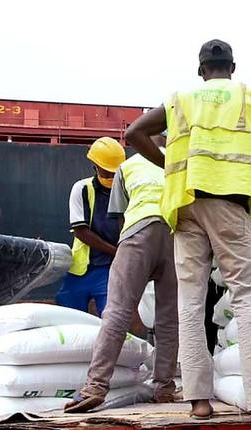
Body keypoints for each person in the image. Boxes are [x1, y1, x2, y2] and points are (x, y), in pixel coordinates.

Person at [125, 39, 251, 428]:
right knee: (247, 298)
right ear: (232, 67)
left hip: (185, 204)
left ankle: (198, 401)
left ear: (201, 69)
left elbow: (133, 133)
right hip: (228, 205)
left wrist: (170, 164)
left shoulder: (180, 100)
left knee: (190, 303)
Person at [64, 136, 179, 413]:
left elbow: (119, 216)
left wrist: (130, 251)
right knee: (168, 317)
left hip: (137, 232)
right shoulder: (178, 163)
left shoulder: (128, 167)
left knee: (117, 311)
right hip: (176, 237)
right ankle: (164, 388)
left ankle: (95, 387)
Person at [57, 137, 125, 316]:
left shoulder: (126, 191)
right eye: (107, 172)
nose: (111, 177)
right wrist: (116, 251)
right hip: (81, 270)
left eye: (114, 173)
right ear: (95, 165)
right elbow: (81, 232)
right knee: (69, 317)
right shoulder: (82, 189)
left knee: (111, 318)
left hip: (110, 270)